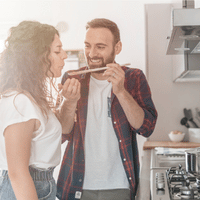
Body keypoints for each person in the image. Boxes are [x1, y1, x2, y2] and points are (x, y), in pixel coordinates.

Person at [56, 18, 158, 200]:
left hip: (119, 186)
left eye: (100, 47)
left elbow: (146, 127)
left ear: (117, 48)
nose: (92, 53)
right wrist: (69, 102)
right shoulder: (73, 78)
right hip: (76, 185)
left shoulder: (134, 77)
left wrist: (120, 91)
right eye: (88, 46)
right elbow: (62, 133)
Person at [0, 20, 80, 200]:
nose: (64, 55)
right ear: (36, 56)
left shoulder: (32, 98)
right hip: (22, 187)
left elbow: (63, 129)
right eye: (57, 50)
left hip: (39, 184)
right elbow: (17, 173)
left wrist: (70, 102)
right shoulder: (20, 102)